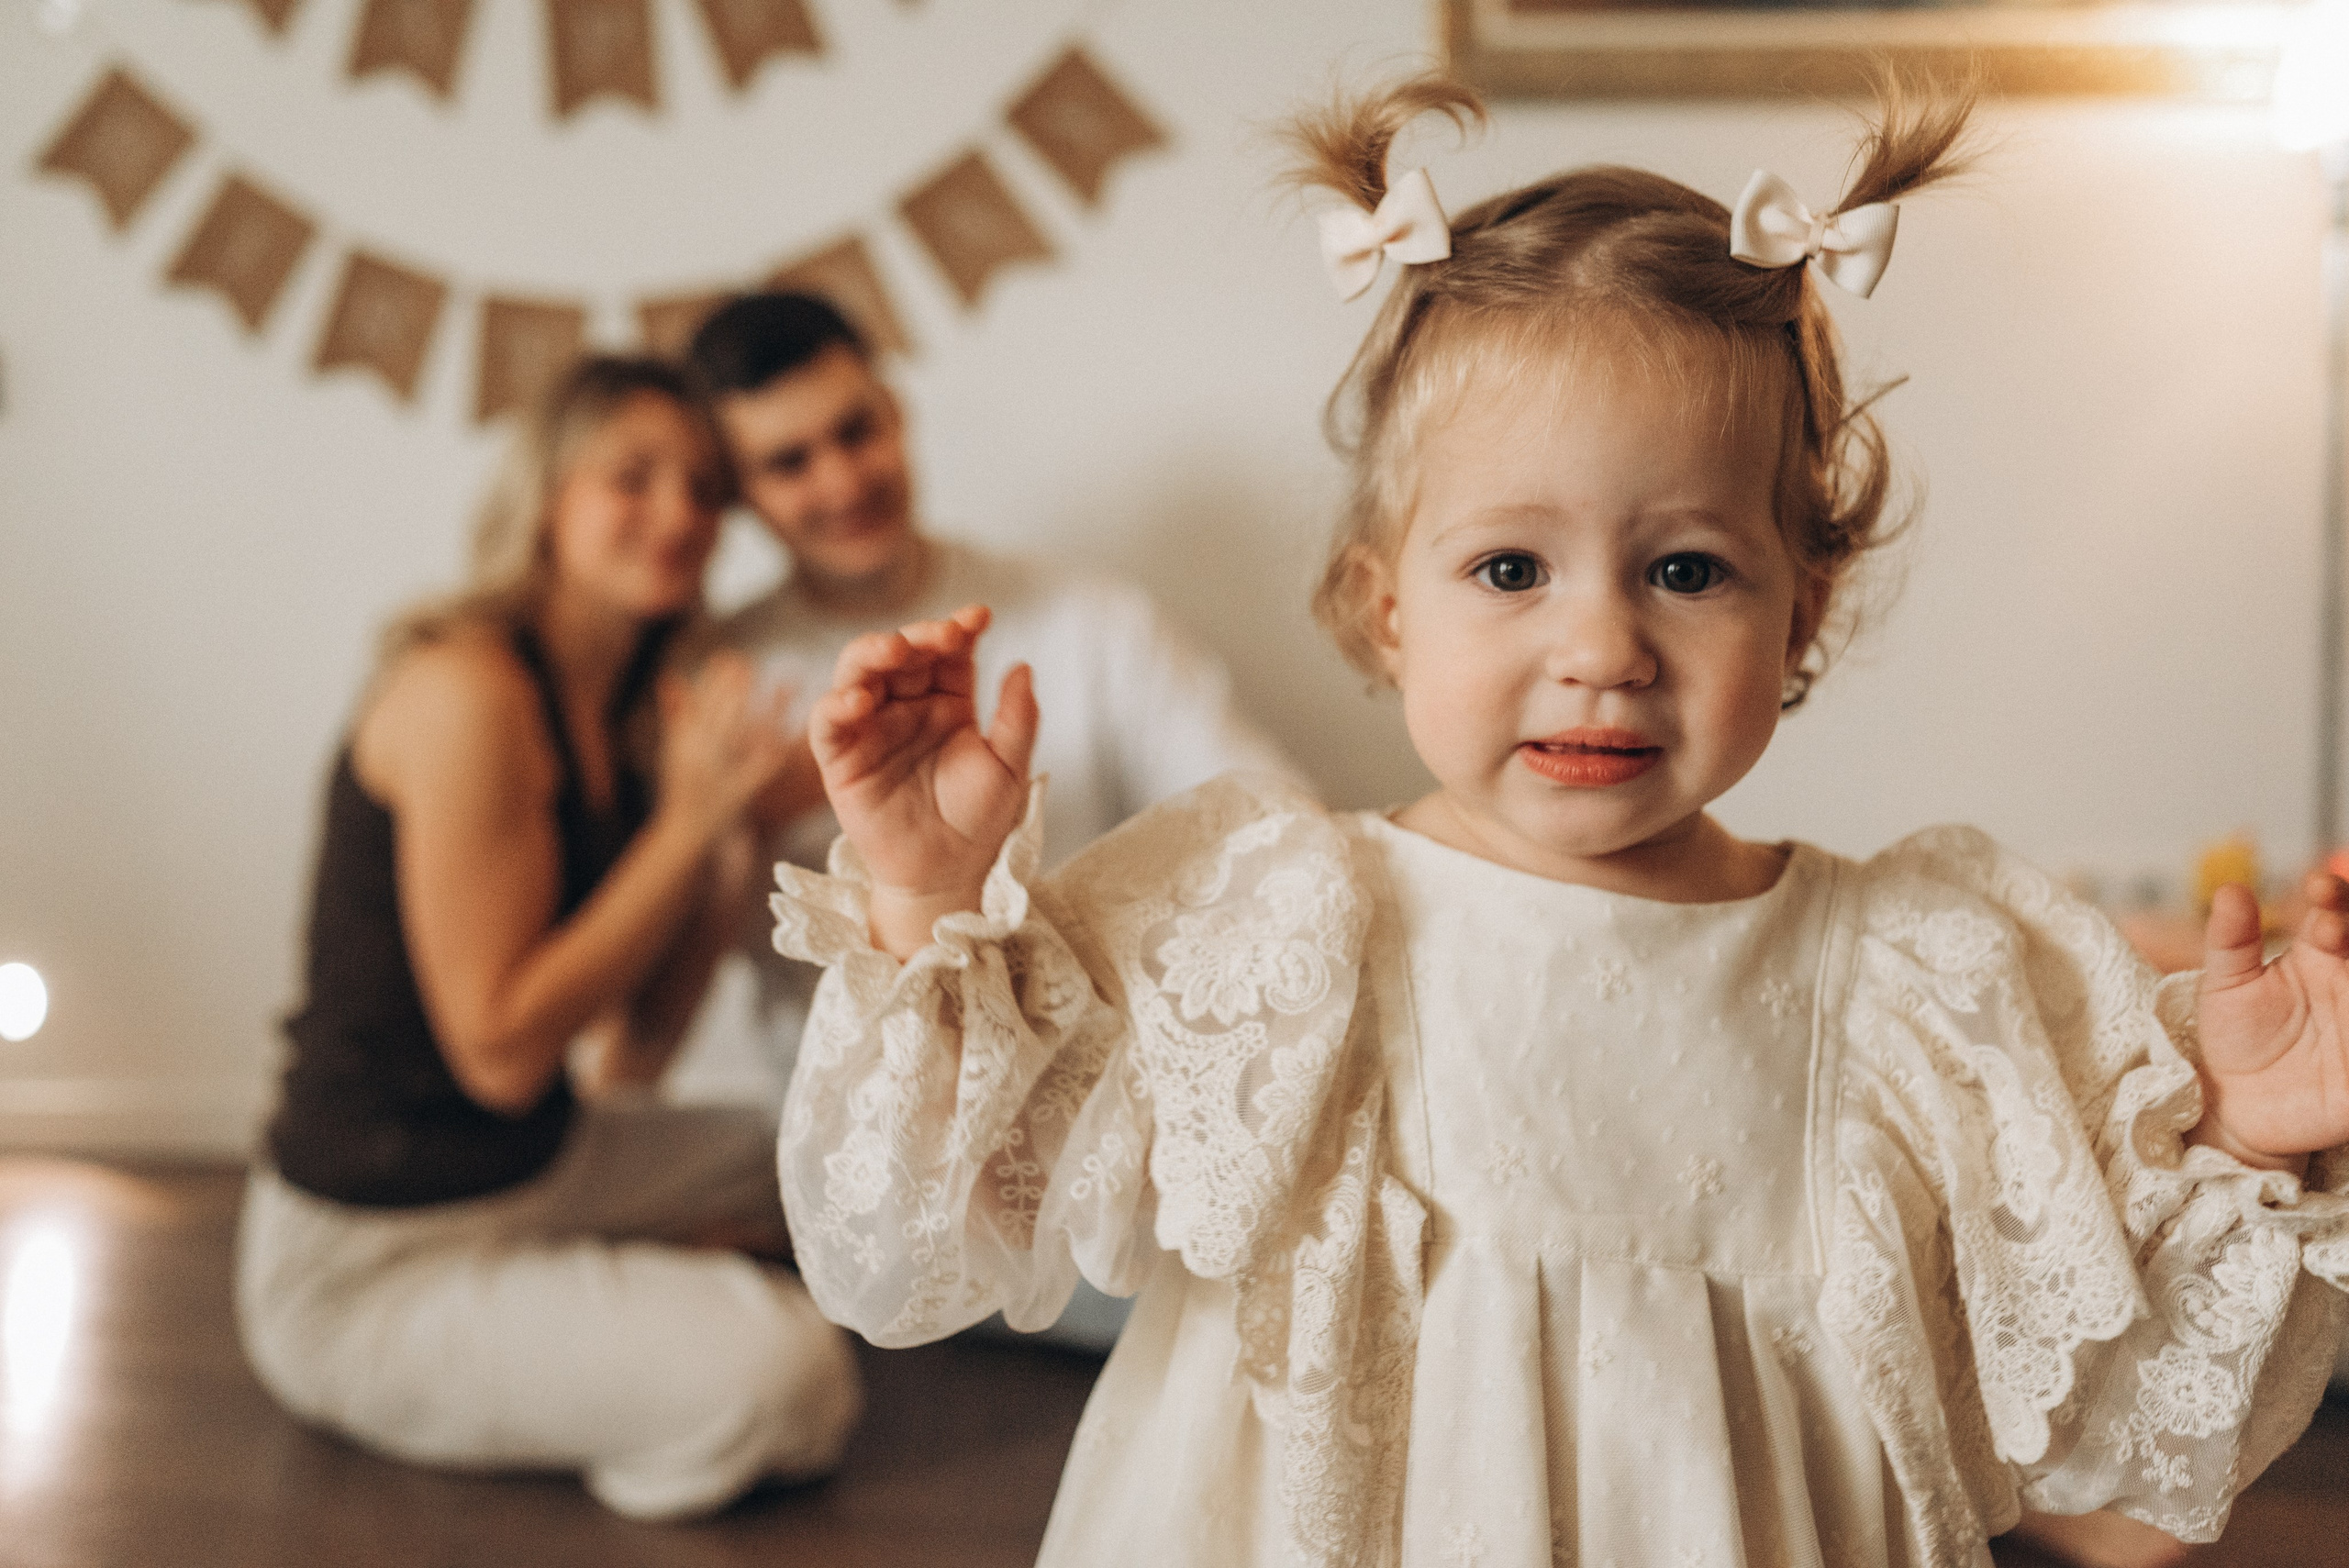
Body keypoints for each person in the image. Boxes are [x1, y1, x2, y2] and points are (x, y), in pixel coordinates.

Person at [761, 76, 2349, 1568]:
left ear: (1806, 609)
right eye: (1512, 569)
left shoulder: (1909, 983)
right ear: (1386, 610)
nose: (1602, 646)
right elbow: (928, 1243)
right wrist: (921, 897)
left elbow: (2114, 1434)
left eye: (1688, 568)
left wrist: (2247, 1143)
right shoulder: (1270, 922)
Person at [236, 355, 861, 1520]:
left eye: (701, 488)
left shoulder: (626, 704)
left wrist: (723, 843)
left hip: (538, 1161)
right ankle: (601, 1343)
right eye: (633, 477)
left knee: (837, 1162)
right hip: (374, 1257)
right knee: (798, 1379)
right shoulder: (465, 690)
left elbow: (634, 1043)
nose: (678, 513)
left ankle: (595, 1298)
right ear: (548, 498)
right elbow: (504, 1051)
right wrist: (684, 825)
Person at [685, 292, 1293, 1346]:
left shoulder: (1094, 621)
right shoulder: (720, 697)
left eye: (855, 429)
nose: (841, 479)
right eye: (788, 463)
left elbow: (1280, 833)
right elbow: (675, 987)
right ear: (741, 496)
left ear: (895, 410)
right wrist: (731, 821)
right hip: (890, 1181)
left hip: (1118, 1113)